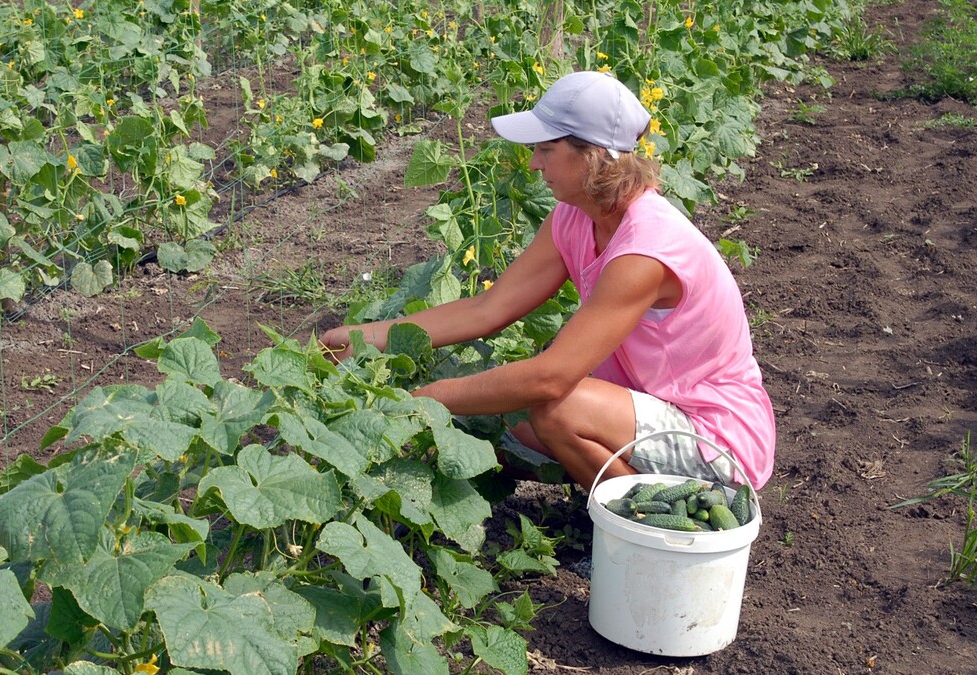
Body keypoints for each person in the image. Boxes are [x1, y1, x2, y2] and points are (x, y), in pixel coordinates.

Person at [320, 71, 776, 492]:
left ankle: (650, 528)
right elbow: (489, 308)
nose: (534, 163)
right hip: (648, 407)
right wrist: (362, 337)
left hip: (715, 437)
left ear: (595, 155)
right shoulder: (574, 217)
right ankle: (621, 496)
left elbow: (552, 378)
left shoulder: (647, 249)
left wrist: (422, 400)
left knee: (554, 408)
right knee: (501, 421)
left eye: (546, 149)